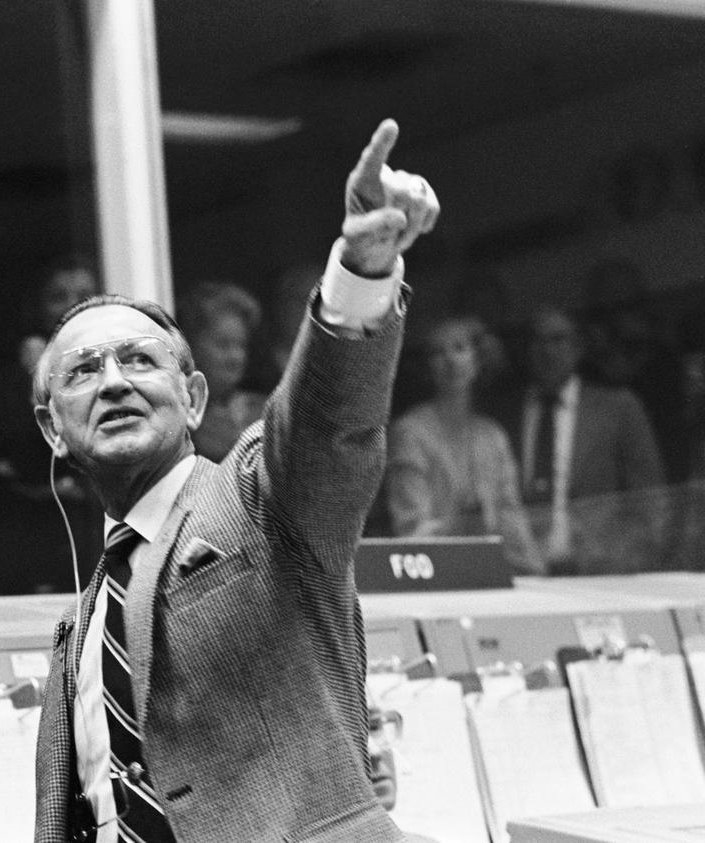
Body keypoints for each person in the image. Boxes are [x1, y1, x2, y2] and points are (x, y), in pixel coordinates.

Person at [30, 119, 440, 842]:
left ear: (193, 398)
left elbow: (329, 421)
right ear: (52, 427)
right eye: (85, 370)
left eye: (140, 360)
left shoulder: (260, 496)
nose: (115, 381)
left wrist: (361, 269)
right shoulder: (80, 627)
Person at [492, 305, 665, 574]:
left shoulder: (617, 408)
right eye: (538, 340)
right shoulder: (504, 413)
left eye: (558, 339)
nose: (547, 350)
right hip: (520, 571)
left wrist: (622, 558)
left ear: (578, 347)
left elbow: (649, 496)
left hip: (598, 571)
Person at [386, 316, 542, 573]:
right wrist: (459, 524)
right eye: (437, 352)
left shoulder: (493, 435)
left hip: (491, 572)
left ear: (478, 359)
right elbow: (411, 528)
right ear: (426, 366)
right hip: (433, 572)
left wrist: (537, 571)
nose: (450, 360)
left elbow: (511, 517)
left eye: (460, 348)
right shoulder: (410, 432)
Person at [177, 281, 267, 462]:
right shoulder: (176, 416)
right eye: (223, 344)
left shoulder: (262, 412)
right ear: (190, 346)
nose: (236, 357)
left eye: (241, 345)